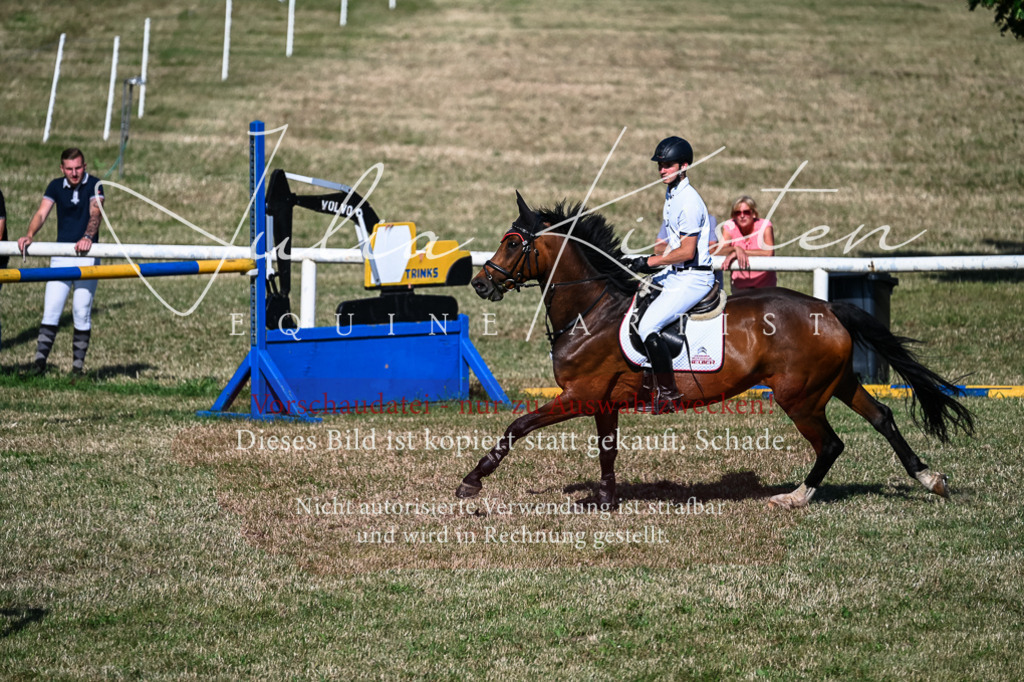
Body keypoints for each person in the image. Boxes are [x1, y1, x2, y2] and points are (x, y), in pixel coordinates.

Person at [623, 136, 715, 413]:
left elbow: (687, 252)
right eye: (660, 165)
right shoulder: (673, 193)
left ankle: (668, 394)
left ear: (684, 165)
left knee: (648, 326)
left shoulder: (688, 201)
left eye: (667, 165)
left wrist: (651, 261)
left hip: (693, 277)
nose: (662, 170)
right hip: (676, 273)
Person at [18, 148, 104, 374]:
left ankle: (77, 369)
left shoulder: (95, 185)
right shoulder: (55, 186)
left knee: (81, 309)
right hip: (60, 254)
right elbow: (41, 213)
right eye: (69, 169)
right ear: (62, 169)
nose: (74, 173)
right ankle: (39, 365)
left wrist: (88, 237)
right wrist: (30, 234)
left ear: (84, 167)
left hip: (88, 255)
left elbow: (96, 213)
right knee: (52, 309)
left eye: (78, 168)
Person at [715, 195, 776, 290]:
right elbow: (718, 251)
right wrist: (735, 249)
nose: (742, 215)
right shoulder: (730, 226)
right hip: (740, 287)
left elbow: (768, 252)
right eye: (737, 213)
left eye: (746, 212)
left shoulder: (764, 226)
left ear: (754, 213)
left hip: (765, 286)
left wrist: (739, 253)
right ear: (733, 216)